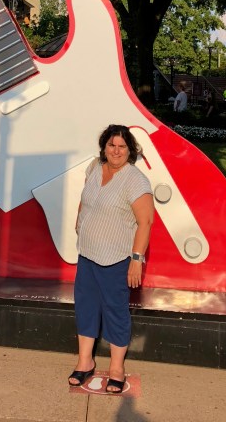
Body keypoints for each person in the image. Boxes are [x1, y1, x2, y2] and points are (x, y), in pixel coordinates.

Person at [68, 124, 154, 394]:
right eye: (111, 145)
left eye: (122, 146)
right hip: (87, 255)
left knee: (115, 312)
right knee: (86, 308)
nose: (116, 151)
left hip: (116, 259)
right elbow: (86, 199)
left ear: (130, 150)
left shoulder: (136, 180)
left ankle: (116, 368)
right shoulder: (94, 168)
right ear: (104, 147)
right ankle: (85, 361)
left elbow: (145, 222)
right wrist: (79, 221)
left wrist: (136, 259)